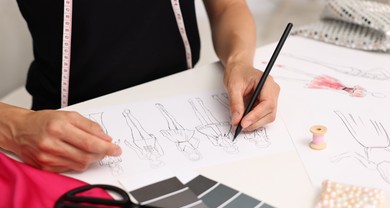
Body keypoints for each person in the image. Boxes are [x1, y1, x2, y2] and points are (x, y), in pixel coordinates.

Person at [0, 0, 280, 172]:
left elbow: (228, 7)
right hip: (63, 140)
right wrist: (16, 127)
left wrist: (239, 61)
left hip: (190, 113)